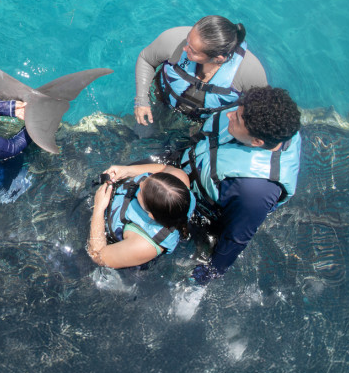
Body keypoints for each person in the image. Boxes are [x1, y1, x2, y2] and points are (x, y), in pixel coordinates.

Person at [181, 86, 302, 284]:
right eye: (237, 111)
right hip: (194, 163)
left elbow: (234, 240)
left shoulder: (253, 193)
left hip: (207, 213)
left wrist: (202, 281)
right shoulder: (274, 125)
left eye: (236, 118)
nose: (229, 115)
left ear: (256, 141)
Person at [134, 15, 268, 128]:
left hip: (204, 123)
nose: (185, 49)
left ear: (218, 59)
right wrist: (142, 100)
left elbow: (260, 110)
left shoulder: (249, 72)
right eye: (188, 40)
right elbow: (146, 59)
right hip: (161, 100)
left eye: (193, 50)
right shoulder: (174, 39)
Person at [87, 163, 195, 269]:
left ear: (151, 215)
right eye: (148, 177)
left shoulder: (144, 245)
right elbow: (164, 168)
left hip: (129, 256)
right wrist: (127, 170)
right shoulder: (179, 179)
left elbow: (97, 256)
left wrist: (99, 208)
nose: (141, 183)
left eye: (142, 191)